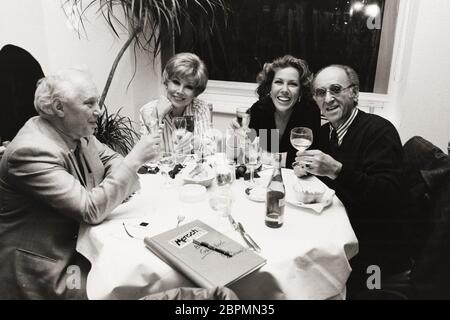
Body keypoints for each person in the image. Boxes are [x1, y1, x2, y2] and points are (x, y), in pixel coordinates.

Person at [0, 69, 161, 299]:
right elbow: (91, 210)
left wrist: (112, 186)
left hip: (80, 243)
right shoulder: (30, 152)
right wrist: (135, 158)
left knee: (137, 266)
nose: (99, 111)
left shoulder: (78, 131)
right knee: (128, 285)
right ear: (58, 108)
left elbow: (113, 160)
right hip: (48, 267)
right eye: (90, 103)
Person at [295, 65, 411, 297]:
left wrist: (336, 170)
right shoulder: (326, 131)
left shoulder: (380, 131)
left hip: (374, 255)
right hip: (338, 233)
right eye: (320, 92)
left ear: (354, 93)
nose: (328, 99)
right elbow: (330, 182)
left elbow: (387, 197)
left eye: (335, 89)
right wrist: (307, 168)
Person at [230, 55, 321, 168]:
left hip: (298, 181)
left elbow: (307, 160)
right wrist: (237, 137)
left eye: (293, 84)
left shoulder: (309, 111)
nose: (285, 90)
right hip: (265, 178)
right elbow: (247, 154)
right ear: (270, 86)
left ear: (300, 91)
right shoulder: (260, 109)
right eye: (279, 82)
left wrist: (265, 157)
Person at [139, 52, 210, 155]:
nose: (180, 91)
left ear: (196, 92)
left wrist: (195, 143)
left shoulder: (199, 109)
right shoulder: (148, 110)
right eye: (176, 82)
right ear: (167, 82)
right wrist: (156, 116)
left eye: (189, 87)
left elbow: (209, 151)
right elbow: (145, 155)